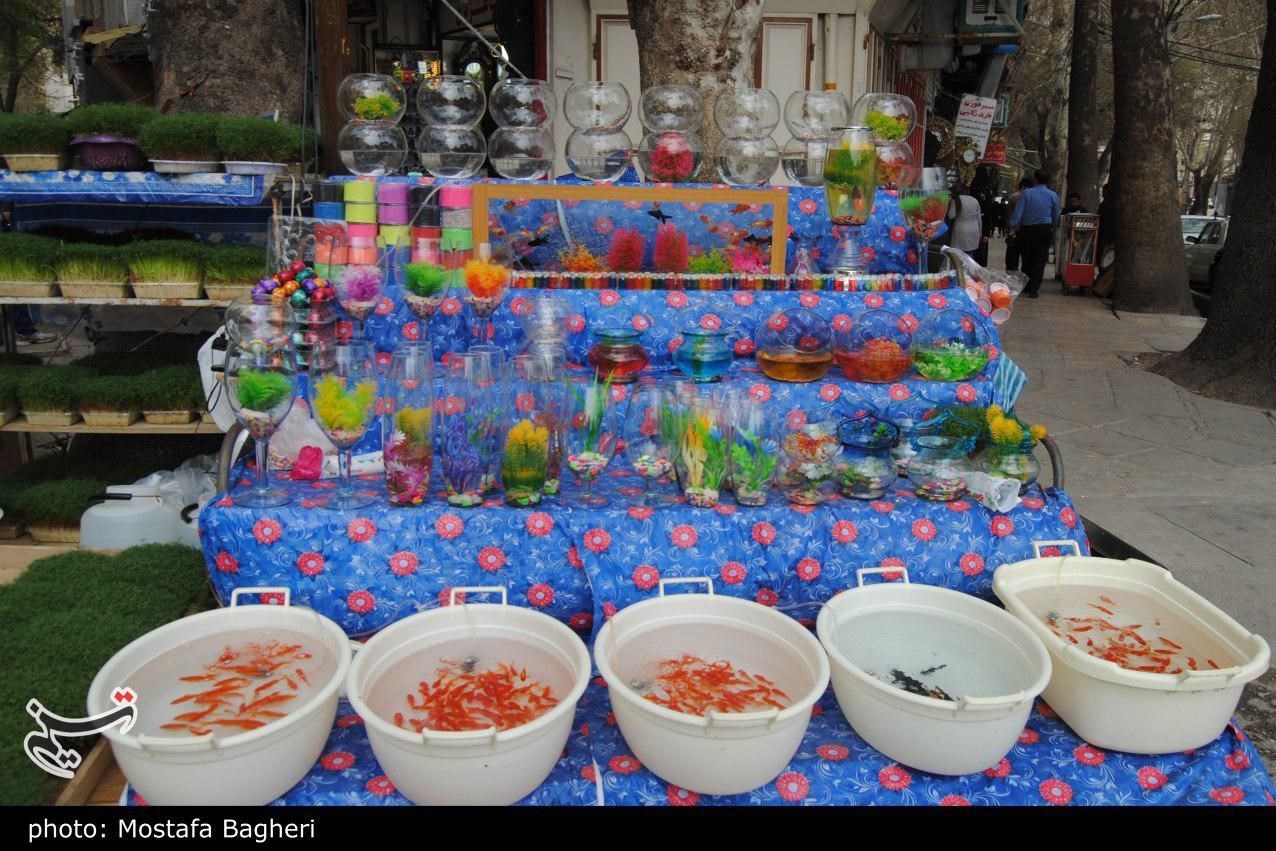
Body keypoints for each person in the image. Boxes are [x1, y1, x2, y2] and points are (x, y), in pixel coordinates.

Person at [1010, 170, 1061, 298]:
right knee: (1040, 260)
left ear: (1036, 179)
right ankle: (1034, 289)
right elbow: (1056, 215)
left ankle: (1026, 286)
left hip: (1027, 230)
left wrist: (1013, 226)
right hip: (1044, 230)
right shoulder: (1053, 195)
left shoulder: (1027, 193)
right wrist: (1053, 226)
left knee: (1027, 259)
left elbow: (1018, 211)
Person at [945, 182, 987, 266]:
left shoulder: (955, 200)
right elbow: (979, 219)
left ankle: (959, 271)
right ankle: (970, 271)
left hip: (960, 229)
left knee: (958, 254)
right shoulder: (974, 200)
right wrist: (980, 233)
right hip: (974, 229)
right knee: (970, 254)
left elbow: (951, 215)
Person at [1004, 178, 1032, 272]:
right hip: (1026, 230)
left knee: (1012, 256)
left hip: (1014, 230)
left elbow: (1008, 214)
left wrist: (1007, 228)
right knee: (1026, 256)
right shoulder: (1031, 197)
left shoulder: (1014, 196)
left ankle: (1011, 272)